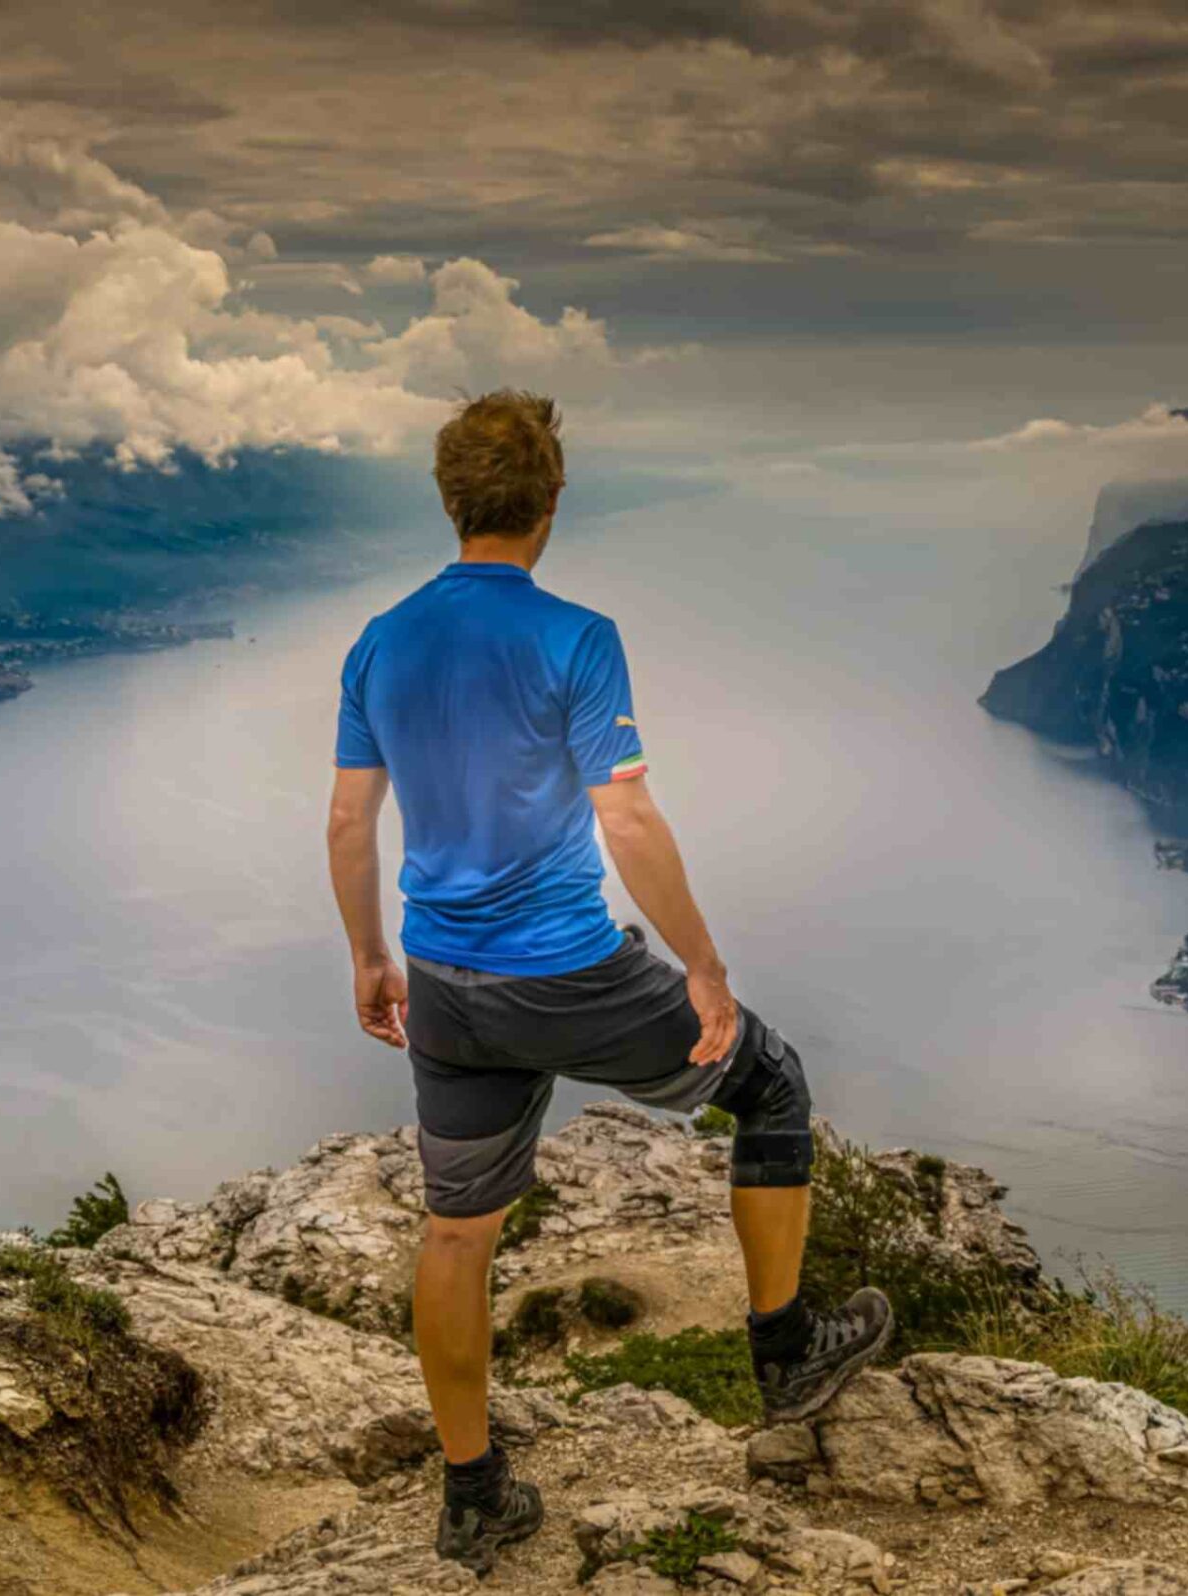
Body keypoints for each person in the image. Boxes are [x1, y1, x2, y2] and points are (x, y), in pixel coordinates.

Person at [324, 390, 893, 1574]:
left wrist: (371, 958)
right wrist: (702, 965)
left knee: (456, 1233)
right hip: (564, 970)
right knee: (770, 1085)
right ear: (550, 504)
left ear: (449, 501)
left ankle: (473, 1493)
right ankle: (787, 1354)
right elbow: (623, 813)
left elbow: (346, 816)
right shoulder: (575, 637)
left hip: (443, 984)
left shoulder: (380, 639)